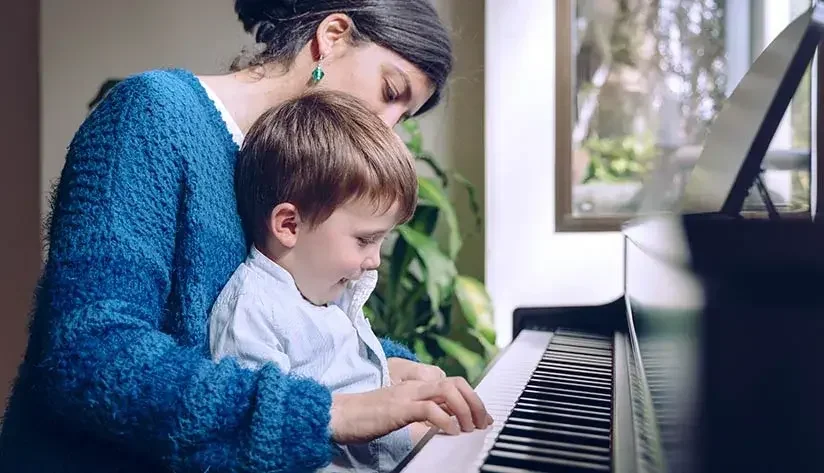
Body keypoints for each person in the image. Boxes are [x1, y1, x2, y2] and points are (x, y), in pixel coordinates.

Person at [0, 1, 492, 472]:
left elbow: (282, 324)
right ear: (333, 37)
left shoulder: (300, 165)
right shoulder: (152, 116)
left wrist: (380, 369)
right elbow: (89, 356)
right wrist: (331, 413)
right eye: (390, 92)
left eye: (405, 118)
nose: (388, 129)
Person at [210, 89, 427, 472]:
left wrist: (394, 374)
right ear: (289, 225)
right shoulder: (253, 313)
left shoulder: (326, 288)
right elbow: (263, 441)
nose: (374, 260)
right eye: (365, 239)